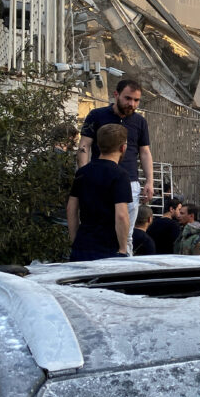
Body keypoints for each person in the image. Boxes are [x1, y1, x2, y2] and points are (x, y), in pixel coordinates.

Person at [78, 79, 153, 256]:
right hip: (100, 180)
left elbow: (145, 152)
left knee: (127, 236)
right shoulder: (96, 115)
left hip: (129, 182)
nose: (131, 104)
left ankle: (123, 266)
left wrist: (149, 181)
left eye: (136, 100)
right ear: (116, 95)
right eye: (128, 98)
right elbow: (84, 145)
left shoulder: (140, 122)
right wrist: (84, 174)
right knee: (96, 228)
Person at [67, 124, 132, 261]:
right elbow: (121, 215)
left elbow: (71, 209)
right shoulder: (120, 175)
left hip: (82, 244)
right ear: (123, 147)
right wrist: (122, 249)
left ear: (98, 145)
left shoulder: (82, 172)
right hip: (108, 248)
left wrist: (74, 240)